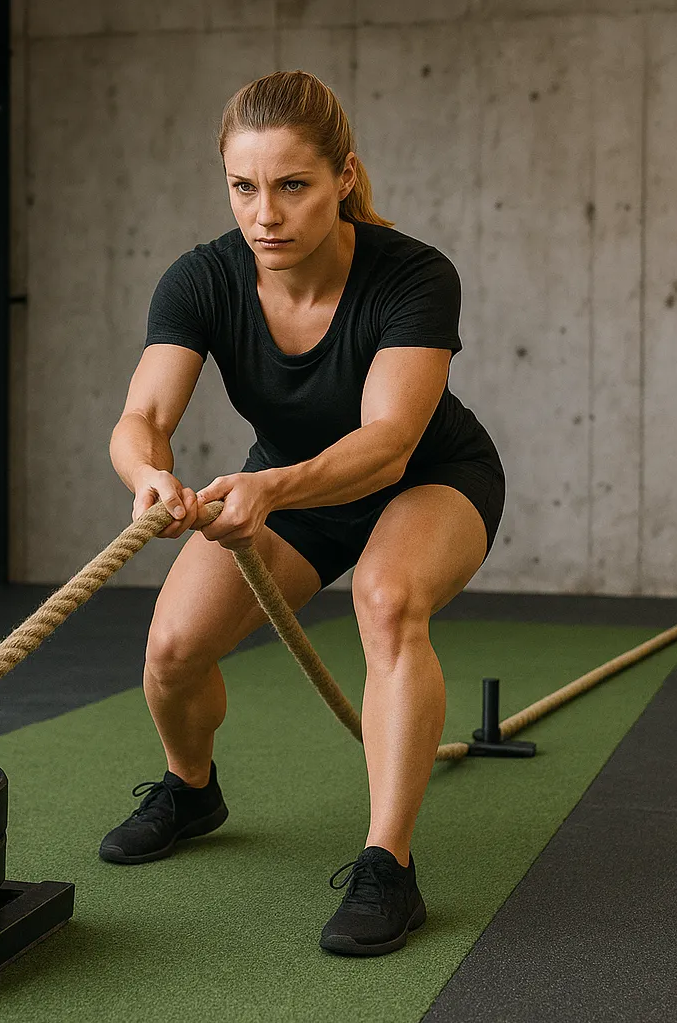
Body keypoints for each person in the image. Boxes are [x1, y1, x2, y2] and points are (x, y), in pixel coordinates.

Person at [101, 70, 505, 958]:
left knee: (386, 601)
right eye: (243, 187)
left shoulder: (414, 274)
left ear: (343, 176)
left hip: (427, 479)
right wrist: (148, 476)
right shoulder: (203, 279)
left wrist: (272, 490)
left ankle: (388, 866)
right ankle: (191, 788)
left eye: (292, 185)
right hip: (290, 489)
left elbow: (389, 443)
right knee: (173, 650)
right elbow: (142, 417)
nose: (265, 215)